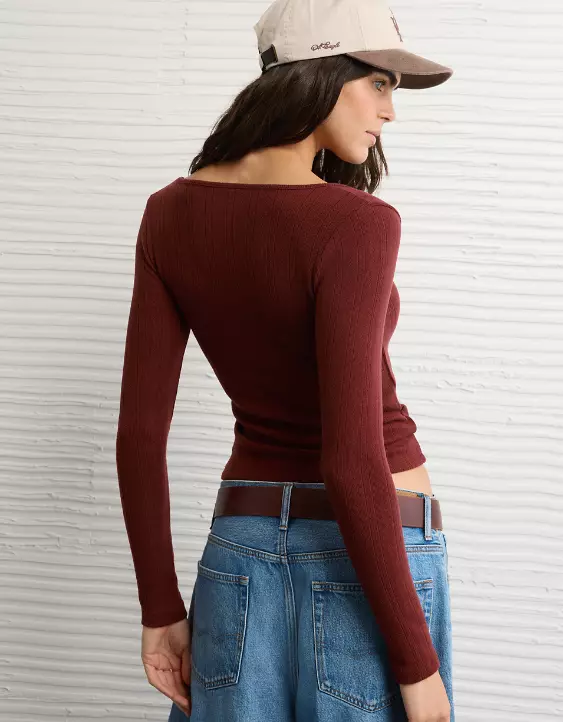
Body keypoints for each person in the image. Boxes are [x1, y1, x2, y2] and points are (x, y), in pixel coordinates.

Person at [115, 1, 456, 720]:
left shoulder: (167, 213)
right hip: (374, 552)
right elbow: (351, 458)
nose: (390, 111)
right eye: (379, 83)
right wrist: (417, 666)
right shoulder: (356, 223)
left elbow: (139, 437)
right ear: (320, 75)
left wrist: (159, 609)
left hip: (237, 551)